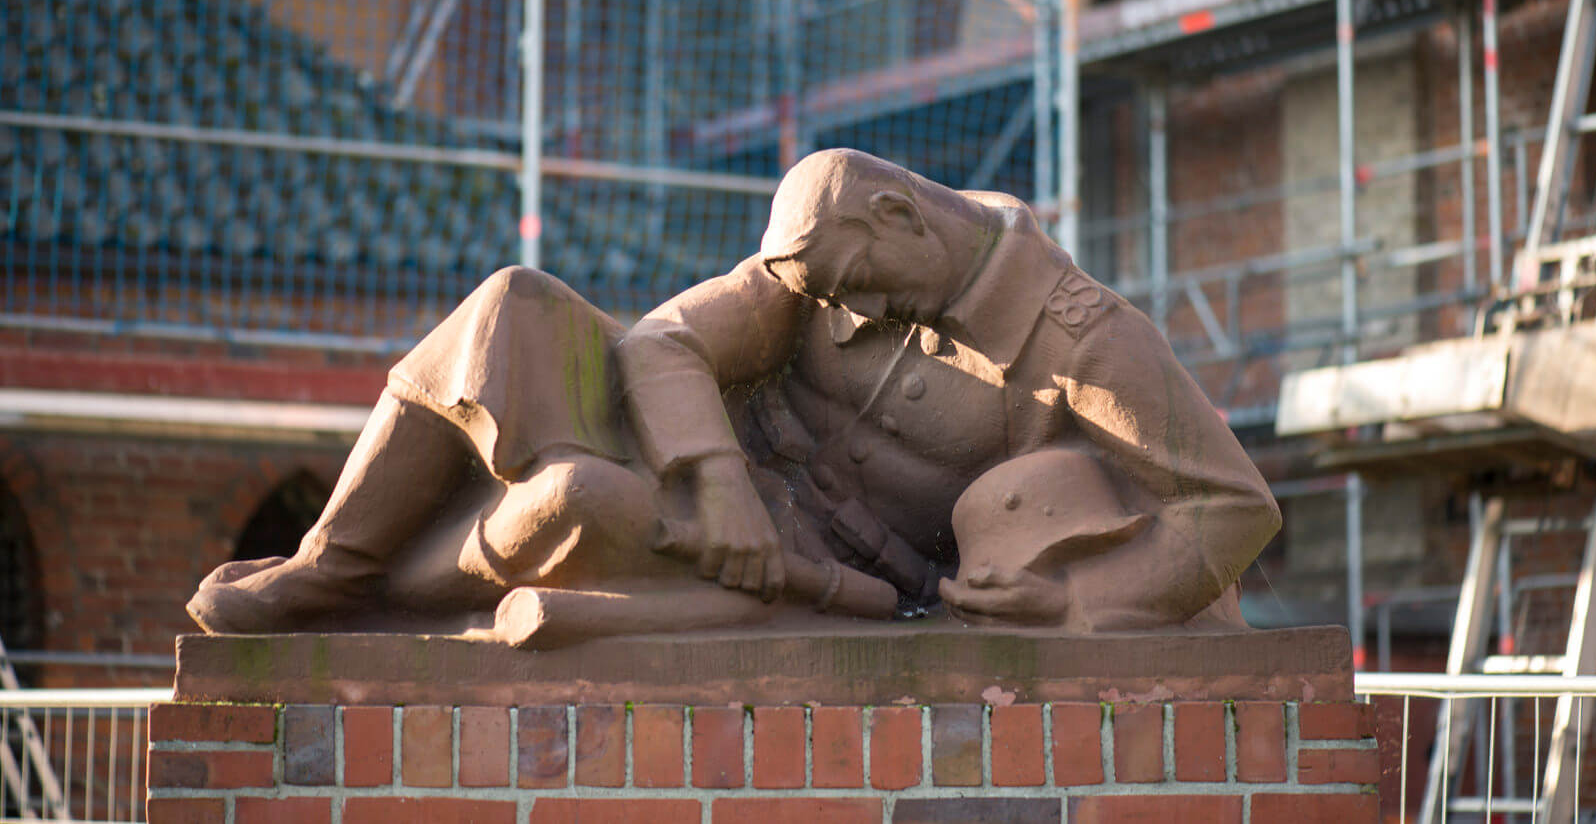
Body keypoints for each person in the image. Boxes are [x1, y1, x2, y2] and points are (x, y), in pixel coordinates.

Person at [189, 149, 1280, 642]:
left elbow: (1234, 508)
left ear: (899, 222)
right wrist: (715, 478)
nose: (836, 307)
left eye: (849, 285)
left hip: (812, 564)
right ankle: (332, 572)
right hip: (706, 468)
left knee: (575, 496)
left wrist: (1086, 606)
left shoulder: (1085, 337)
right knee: (511, 303)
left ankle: (385, 613)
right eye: (819, 292)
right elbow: (663, 341)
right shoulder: (816, 259)